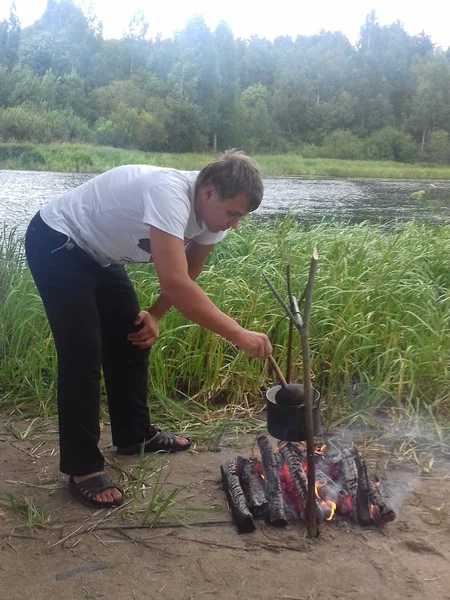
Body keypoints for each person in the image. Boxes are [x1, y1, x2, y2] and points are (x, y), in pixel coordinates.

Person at [24, 150, 273, 509]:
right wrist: (237, 334)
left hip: (98, 255)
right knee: (83, 355)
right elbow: (175, 282)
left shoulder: (211, 218)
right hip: (58, 241)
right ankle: (82, 467)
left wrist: (155, 313)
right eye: (232, 213)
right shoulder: (169, 193)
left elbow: (186, 275)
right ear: (208, 192)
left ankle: (134, 435)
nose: (234, 224)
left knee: (134, 335)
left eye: (241, 217)